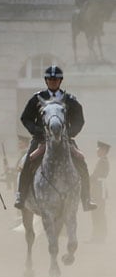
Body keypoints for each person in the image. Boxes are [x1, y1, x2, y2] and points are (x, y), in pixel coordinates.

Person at [14, 65, 97, 211]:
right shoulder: (37, 99)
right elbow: (25, 118)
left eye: (56, 80)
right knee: (27, 161)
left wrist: (69, 133)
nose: (53, 82)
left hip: (65, 140)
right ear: (46, 81)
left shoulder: (70, 99)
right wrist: (37, 132)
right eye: (50, 79)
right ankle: (21, 195)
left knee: (81, 163)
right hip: (41, 140)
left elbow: (79, 120)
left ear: (60, 81)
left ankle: (86, 198)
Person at [89, 141, 110, 242]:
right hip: (99, 188)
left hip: (99, 189)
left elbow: (96, 175)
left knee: (98, 213)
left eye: (99, 150)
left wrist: (87, 179)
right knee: (98, 213)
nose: (97, 151)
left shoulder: (103, 161)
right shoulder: (102, 161)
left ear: (104, 151)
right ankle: (98, 235)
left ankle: (99, 236)